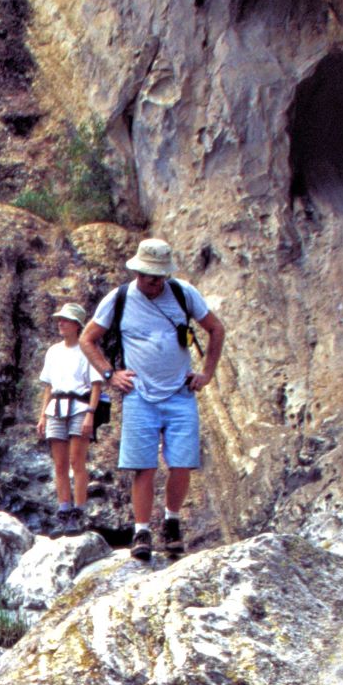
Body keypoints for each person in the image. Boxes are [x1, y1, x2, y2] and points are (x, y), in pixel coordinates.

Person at [80, 238, 225, 561]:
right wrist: (109, 374)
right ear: (137, 271)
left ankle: (172, 524)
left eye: (159, 276)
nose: (154, 281)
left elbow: (216, 329)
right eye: (148, 275)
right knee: (142, 466)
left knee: (182, 463)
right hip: (139, 395)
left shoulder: (183, 293)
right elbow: (87, 339)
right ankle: (141, 531)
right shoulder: (119, 298)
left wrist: (207, 373)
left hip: (180, 392)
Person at [35, 303, 100, 533]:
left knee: (76, 462)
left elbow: (95, 385)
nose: (60, 323)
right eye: (59, 320)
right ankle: (63, 513)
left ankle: (79, 513)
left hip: (80, 407)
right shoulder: (53, 351)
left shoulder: (87, 350)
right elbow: (49, 386)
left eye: (66, 320)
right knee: (60, 464)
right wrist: (42, 415)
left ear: (77, 325)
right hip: (56, 408)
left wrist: (90, 415)